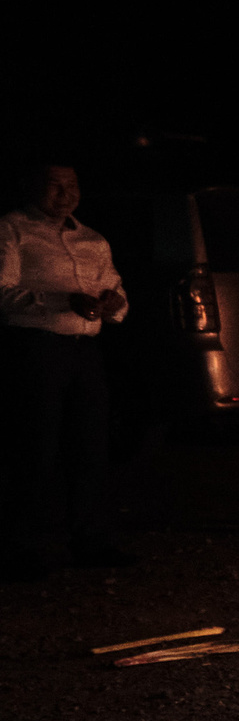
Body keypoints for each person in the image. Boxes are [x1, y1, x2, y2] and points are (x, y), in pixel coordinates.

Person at [0, 162, 135, 577]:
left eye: (72, 185)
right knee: (36, 445)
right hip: (36, 347)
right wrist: (60, 301)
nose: (65, 194)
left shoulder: (93, 239)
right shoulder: (12, 229)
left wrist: (114, 304)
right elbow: (2, 292)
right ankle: (26, 546)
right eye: (54, 185)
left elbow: (116, 288)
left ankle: (91, 539)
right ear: (30, 186)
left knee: (90, 444)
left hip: (84, 348)